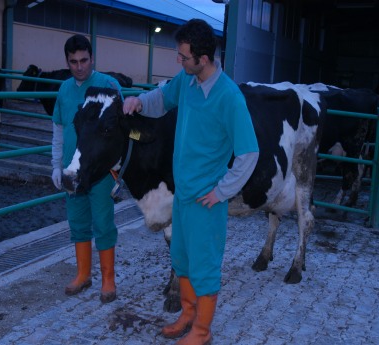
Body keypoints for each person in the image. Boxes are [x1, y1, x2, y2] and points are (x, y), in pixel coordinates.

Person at [123, 19, 259, 345]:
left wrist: (222, 191)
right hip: (182, 194)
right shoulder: (187, 82)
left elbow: (249, 153)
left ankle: (202, 330)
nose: (179, 61)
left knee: (205, 267)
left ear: (203, 57)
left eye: (184, 56)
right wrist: (140, 101)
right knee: (181, 259)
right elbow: (162, 97)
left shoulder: (229, 97)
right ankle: (187, 314)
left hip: (205, 201)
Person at [51, 34, 122, 303]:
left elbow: (119, 129)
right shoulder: (64, 90)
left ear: (92, 58)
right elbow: (58, 129)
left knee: (103, 223)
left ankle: (108, 279)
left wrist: (116, 165)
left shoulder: (109, 85)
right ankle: (83, 275)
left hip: (100, 171)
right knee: (78, 222)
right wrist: (56, 166)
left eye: (84, 60)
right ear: (67, 62)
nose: (79, 67)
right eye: (73, 62)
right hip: (72, 168)